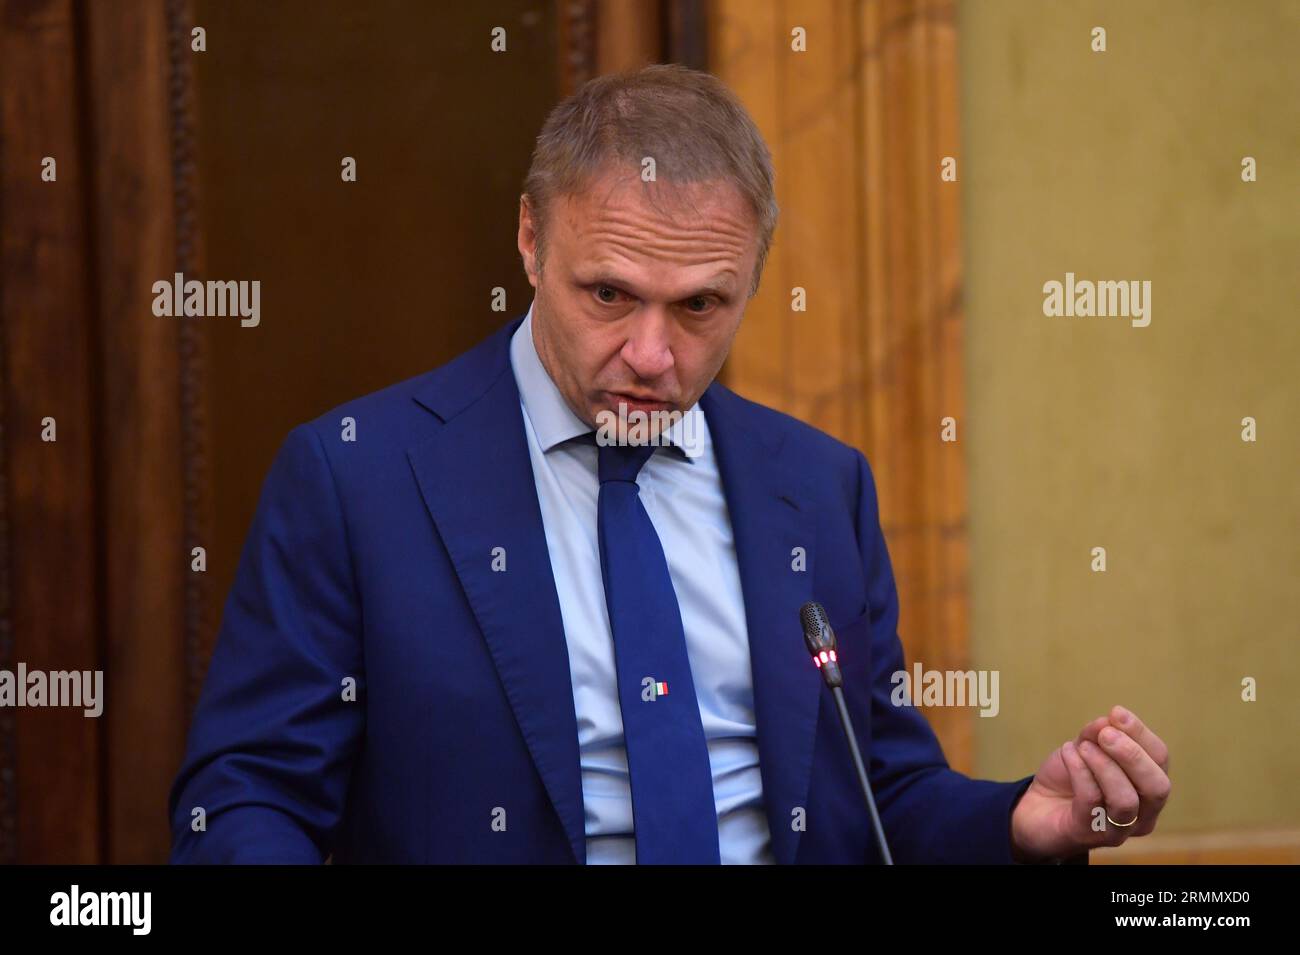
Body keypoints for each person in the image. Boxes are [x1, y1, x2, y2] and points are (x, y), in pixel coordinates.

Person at [169, 64, 1170, 864]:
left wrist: (1018, 824)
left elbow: (878, 791)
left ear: (751, 281)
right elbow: (247, 796)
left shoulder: (817, 489)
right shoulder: (357, 479)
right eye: (608, 294)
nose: (652, 356)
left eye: (699, 306)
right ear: (529, 237)